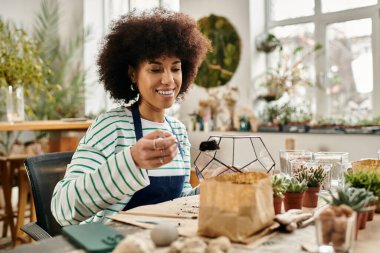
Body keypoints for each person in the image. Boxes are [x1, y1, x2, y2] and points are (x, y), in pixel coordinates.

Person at [51, 8, 211, 225]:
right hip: (115, 243)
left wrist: (211, 188)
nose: (168, 80)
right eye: (155, 69)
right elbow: (63, 208)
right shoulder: (111, 127)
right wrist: (131, 161)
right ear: (132, 73)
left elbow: (177, 202)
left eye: (175, 68)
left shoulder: (178, 131)